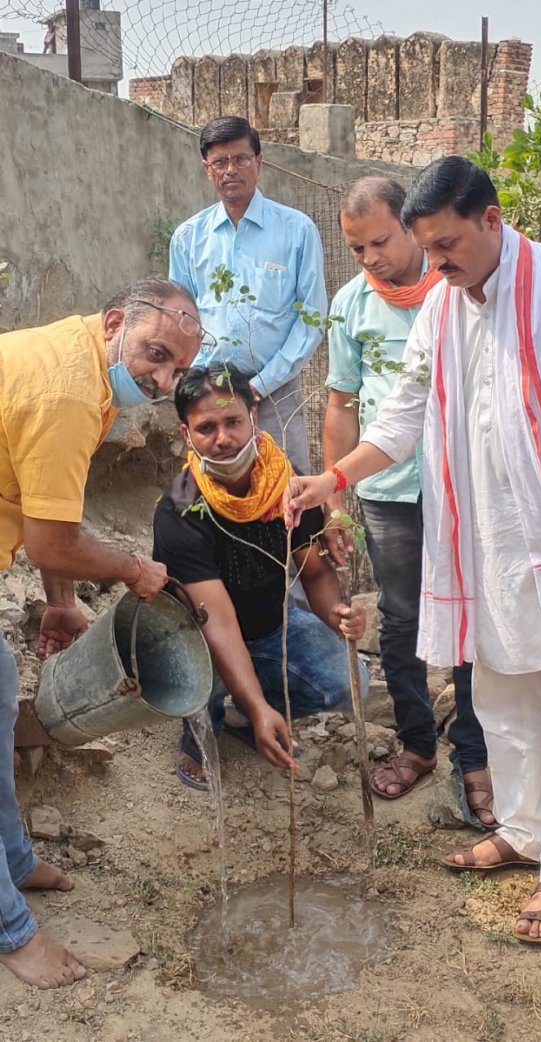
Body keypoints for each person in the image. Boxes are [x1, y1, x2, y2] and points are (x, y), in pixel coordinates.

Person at [286, 156, 541, 943]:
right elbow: (403, 413)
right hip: (480, 541)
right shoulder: (445, 306)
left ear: (492, 218)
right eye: (429, 248)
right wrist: (332, 478)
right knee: (500, 695)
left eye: (448, 245)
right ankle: (522, 831)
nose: (437, 264)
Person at [0, 277, 204, 990]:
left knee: (0, 691)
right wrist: (131, 569)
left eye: (177, 368)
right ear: (115, 322)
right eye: (155, 354)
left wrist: (60, 601)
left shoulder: (88, 376)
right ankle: (11, 932)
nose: (162, 378)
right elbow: (55, 542)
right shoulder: (64, 391)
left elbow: (44, 506)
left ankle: (16, 860)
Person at [323, 176, 493, 824]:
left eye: (380, 242)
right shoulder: (349, 306)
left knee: (473, 613)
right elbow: (341, 404)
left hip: (464, 483)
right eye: (357, 248)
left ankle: (473, 753)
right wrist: (338, 496)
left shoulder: (460, 290)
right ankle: (418, 743)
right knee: (400, 620)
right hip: (389, 489)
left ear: (411, 228)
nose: (370, 259)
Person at [152, 363, 368, 789]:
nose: (223, 439)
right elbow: (217, 622)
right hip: (199, 636)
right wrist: (257, 707)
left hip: (271, 627)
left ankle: (246, 714)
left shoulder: (284, 480)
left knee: (351, 679)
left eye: (233, 421)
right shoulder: (180, 508)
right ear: (186, 435)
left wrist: (337, 614)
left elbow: (315, 569)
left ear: (253, 417)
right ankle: (204, 725)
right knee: (197, 668)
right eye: (206, 428)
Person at [169, 115, 327, 475]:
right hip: (210, 400)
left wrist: (259, 386)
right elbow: (181, 320)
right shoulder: (188, 238)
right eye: (219, 162)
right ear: (207, 169)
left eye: (240, 159)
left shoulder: (297, 230)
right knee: (214, 497)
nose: (231, 170)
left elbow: (311, 319)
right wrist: (201, 385)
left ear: (259, 160)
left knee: (288, 491)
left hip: (276, 394)